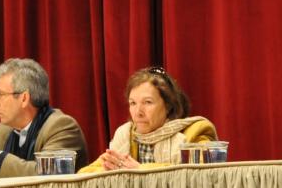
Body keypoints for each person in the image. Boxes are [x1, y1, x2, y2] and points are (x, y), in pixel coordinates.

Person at [78, 66, 217, 173]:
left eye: (148, 102)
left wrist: (142, 170)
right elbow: (84, 174)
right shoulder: (126, 135)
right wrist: (108, 172)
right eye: (133, 103)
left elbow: (202, 174)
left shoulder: (195, 132)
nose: (138, 112)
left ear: (168, 105)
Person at [0, 58, 88, 178]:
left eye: (0, 94)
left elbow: (45, 175)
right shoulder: (2, 131)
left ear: (24, 98)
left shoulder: (61, 127)